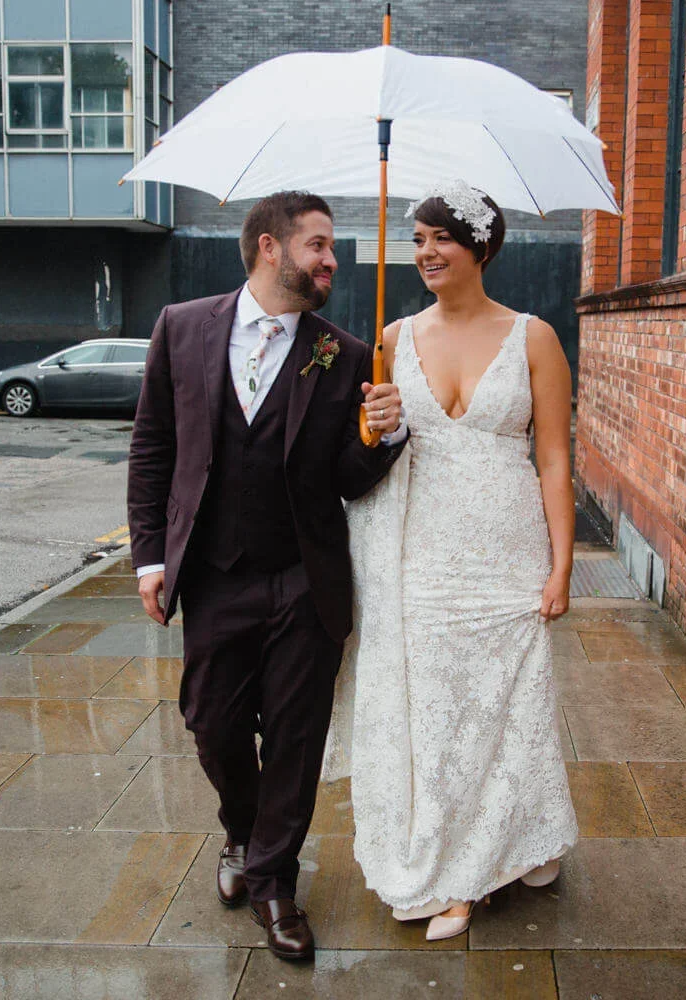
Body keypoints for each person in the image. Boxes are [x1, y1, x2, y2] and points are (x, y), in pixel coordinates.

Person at [126, 190, 408, 962]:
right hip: (214, 574)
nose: (331, 259)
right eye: (317, 244)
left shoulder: (346, 353)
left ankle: (275, 882)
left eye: (332, 247)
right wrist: (150, 556)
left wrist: (383, 433)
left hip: (304, 577)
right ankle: (242, 834)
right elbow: (153, 448)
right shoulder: (182, 328)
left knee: (294, 736)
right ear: (269, 247)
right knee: (212, 725)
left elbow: (350, 479)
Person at [330, 180, 579, 942]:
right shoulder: (394, 338)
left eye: (441, 238)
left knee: (507, 706)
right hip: (420, 553)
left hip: (506, 551)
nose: (427, 253)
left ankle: (497, 852)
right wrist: (375, 427)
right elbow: (361, 457)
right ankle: (453, 868)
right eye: (418, 240)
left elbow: (556, 461)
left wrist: (563, 566)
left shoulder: (534, 336)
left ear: (481, 247)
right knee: (438, 715)